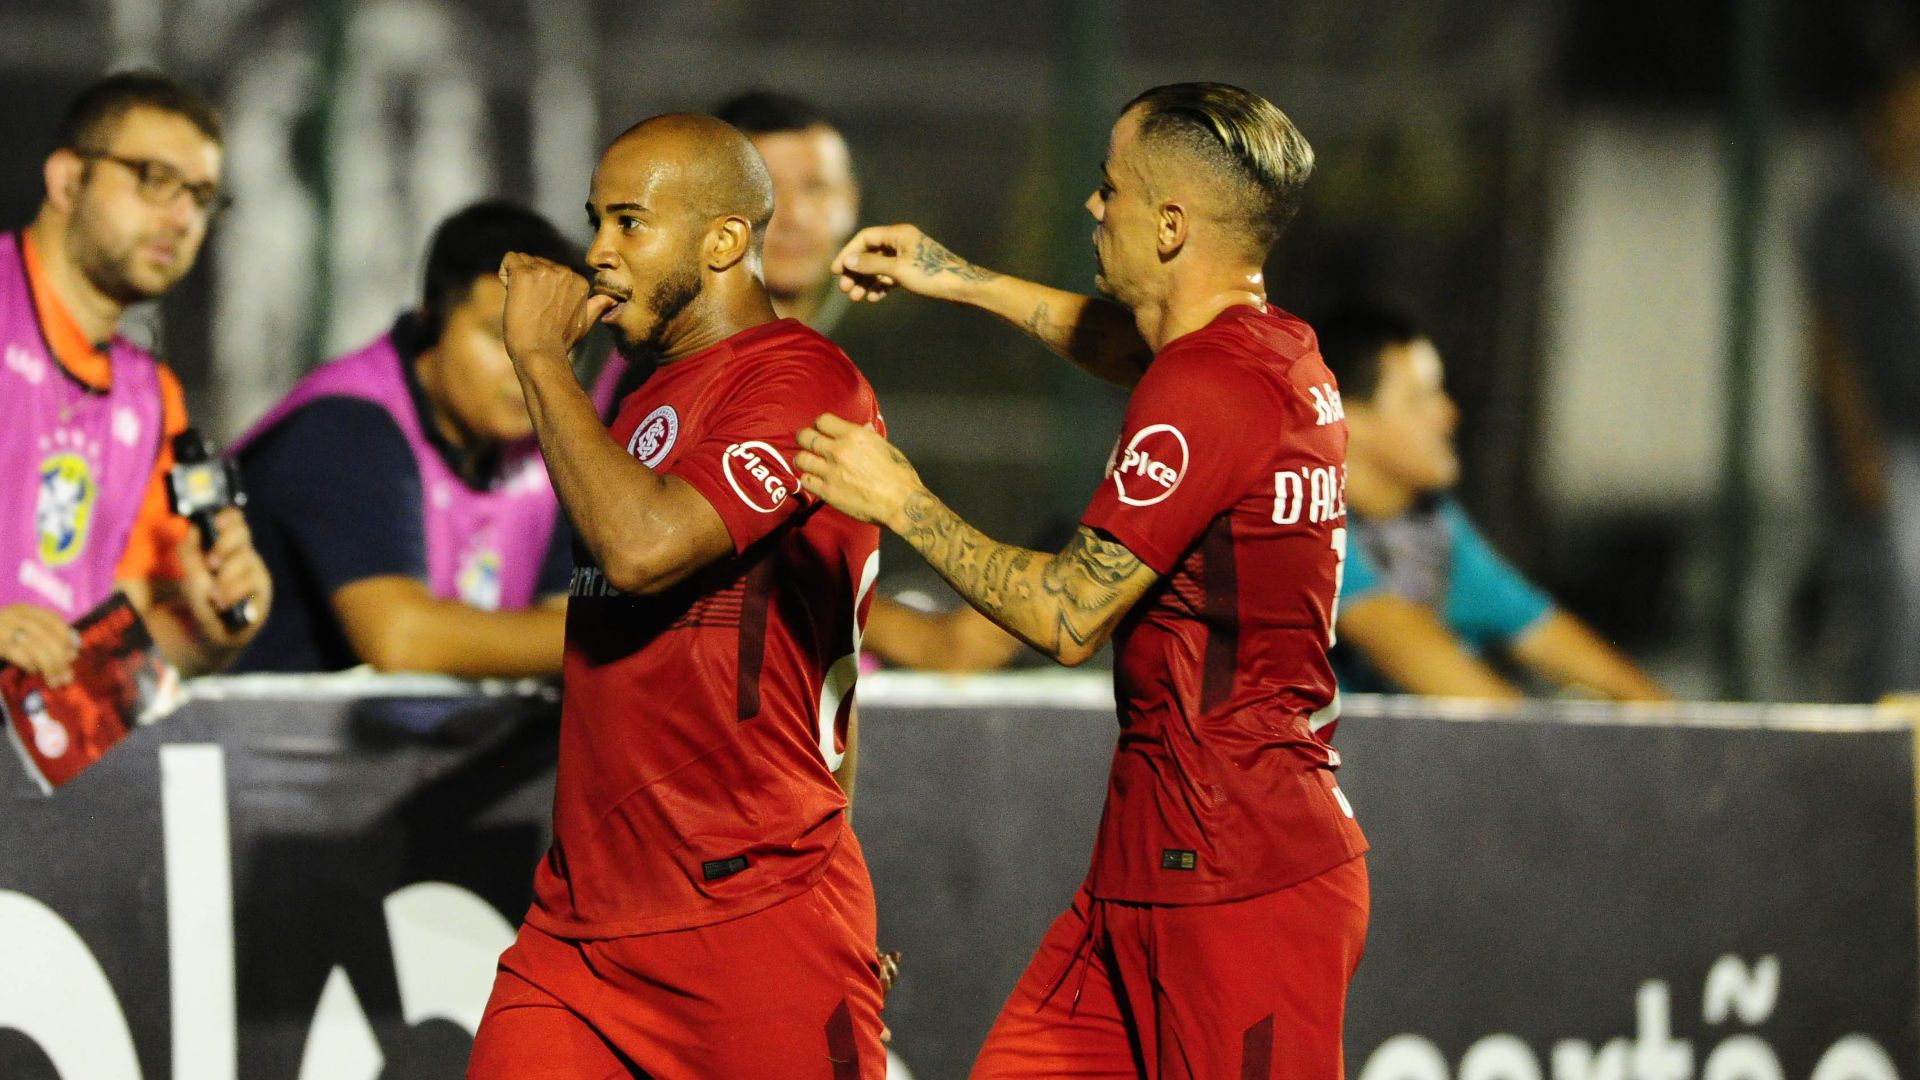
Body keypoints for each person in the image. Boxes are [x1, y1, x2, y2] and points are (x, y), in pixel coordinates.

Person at [799, 83, 1367, 1079]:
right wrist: (957, 277)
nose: (1093, 208)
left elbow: (1066, 617)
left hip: (1238, 882)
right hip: (1148, 872)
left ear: (1173, 223)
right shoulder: (1270, 351)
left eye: (1112, 190)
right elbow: (1122, 340)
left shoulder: (1208, 388)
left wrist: (903, 500)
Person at [467, 113, 888, 1078]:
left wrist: (537, 359)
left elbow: (644, 549)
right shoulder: (640, 397)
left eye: (627, 224)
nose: (597, 255)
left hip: (746, 918)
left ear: (724, 240)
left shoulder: (803, 378)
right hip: (577, 931)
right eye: (594, 224)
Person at [595, 88, 1020, 675]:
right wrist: (919, 639)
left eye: (815, 189)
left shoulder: (841, 359)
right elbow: (659, 565)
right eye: (768, 191)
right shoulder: (658, 361)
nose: (791, 217)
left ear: (853, 202)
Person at [0, 70, 270, 684]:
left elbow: (120, 651)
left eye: (201, 198)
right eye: (155, 181)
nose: (181, 219)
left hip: (36, 768)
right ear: (69, 180)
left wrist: (212, 632)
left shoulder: (151, 397)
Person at [228, 202, 575, 676]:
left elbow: (564, 617)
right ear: (432, 322)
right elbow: (402, 640)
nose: (531, 367)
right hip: (257, 738)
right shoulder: (344, 426)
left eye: (559, 346)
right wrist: (629, 642)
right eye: (502, 337)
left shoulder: (550, 446)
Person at [1315, 304, 1668, 701]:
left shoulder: (1430, 519)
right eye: (1420, 399)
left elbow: (1543, 632)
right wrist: (1540, 752)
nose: (1447, 414)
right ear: (1349, 419)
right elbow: (1402, 644)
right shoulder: (1303, 517)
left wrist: (1676, 734)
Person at [1802, 56, 1920, 699]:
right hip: (1885, 440)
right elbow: (1831, 339)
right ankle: (1890, 743)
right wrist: (1859, 445)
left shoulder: (1905, 202)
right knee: (1892, 607)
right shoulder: (1848, 208)